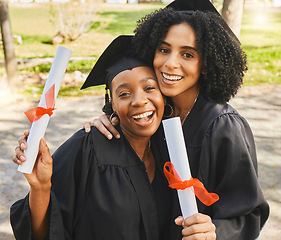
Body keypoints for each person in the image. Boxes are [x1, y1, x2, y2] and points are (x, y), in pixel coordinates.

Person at [82, 0, 270, 239]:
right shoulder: (153, 113)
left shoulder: (223, 125)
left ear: (206, 64)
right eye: (164, 49)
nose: (170, 63)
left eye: (188, 54)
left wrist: (216, 231)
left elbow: (248, 214)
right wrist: (109, 120)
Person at [11, 35, 217, 240]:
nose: (139, 100)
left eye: (149, 88)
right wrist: (40, 186)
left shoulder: (171, 150)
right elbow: (40, 234)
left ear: (163, 95)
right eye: (124, 94)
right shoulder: (86, 148)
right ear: (113, 105)